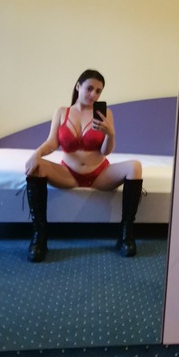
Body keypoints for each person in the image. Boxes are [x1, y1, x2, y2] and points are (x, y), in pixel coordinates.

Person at [24, 69, 143, 263]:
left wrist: (110, 134)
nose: (93, 94)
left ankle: (125, 235)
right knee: (37, 167)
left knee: (135, 167)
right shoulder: (62, 112)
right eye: (89, 88)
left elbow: (105, 151)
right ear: (78, 86)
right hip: (68, 174)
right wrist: (36, 154)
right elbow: (52, 143)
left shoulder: (105, 113)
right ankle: (40, 238)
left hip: (99, 174)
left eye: (98, 91)